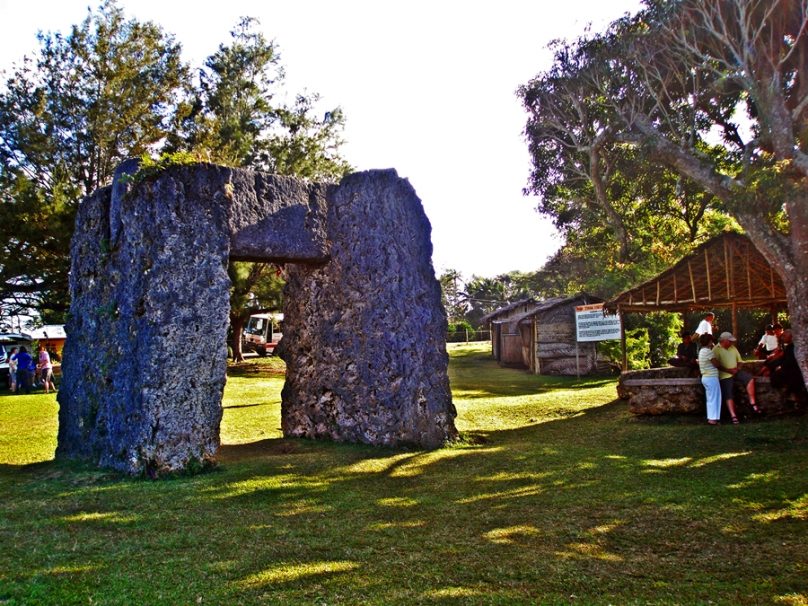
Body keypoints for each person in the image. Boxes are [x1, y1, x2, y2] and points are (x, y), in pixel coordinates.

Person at [713, 331, 760, 423]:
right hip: (724, 374)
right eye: (729, 341)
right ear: (724, 341)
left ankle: (752, 403)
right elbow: (716, 365)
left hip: (735, 371)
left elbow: (740, 361)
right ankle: (733, 416)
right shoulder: (716, 350)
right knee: (728, 392)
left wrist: (737, 369)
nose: (731, 343)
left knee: (749, 378)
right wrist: (728, 370)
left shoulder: (733, 348)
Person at [766, 329, 806, 401]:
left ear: (790, 337)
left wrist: (779, 367)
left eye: (784, 336)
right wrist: (771, 365)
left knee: (775, 376)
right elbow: (782, 359)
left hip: (794, 372)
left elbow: (790, 362)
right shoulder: (789, 347)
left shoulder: (794, 348)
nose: (782, 338)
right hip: (788, 369)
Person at [698, 333, 722, 425]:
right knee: (715, 398)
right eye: (711, 340)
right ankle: (713, 419)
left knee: (710, 399)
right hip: (711, 377)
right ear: (709, 341)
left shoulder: (701, 351)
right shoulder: (708, 352)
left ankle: (711, 418)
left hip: (705, 377)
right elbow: (716, 364)